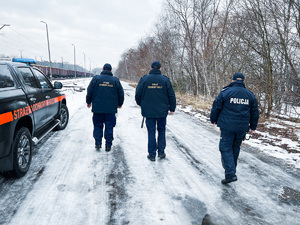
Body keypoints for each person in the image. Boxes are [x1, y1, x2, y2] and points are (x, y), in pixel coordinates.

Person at [210, 73, 259, 184]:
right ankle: (230, 173)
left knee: (225, 148)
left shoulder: (226, 92)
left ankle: (231, 173)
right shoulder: (249, 95)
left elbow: (216, 107)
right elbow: (254, 112)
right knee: (235, 147)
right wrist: (253, 126)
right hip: (242, 127)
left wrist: (213, 119)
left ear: (232, 81)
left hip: (227, 126)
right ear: (243, 82)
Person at [135, 61, 176, 161]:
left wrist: (142, 105)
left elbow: (137, 95)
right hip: (162, 111)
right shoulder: (165, 80)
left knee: (151, 132)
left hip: (149, 111)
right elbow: (171, 95)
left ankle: (152, 154)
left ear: (151, 68)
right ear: (160, 69)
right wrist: (172, 108)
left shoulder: (144, 79)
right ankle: (161, 152)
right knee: (161, 130)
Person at [86, 63, 124, 151]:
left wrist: (88, 102)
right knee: (109, 126)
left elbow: (89, 91)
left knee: (98, 125)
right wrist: (120, 103)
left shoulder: (95, 79)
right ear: (111, 70)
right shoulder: (115, 80)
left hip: (97, 108)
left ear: (102, 69)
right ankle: (108, 145)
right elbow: (120, 94)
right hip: (111, 109)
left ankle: (98, 143)